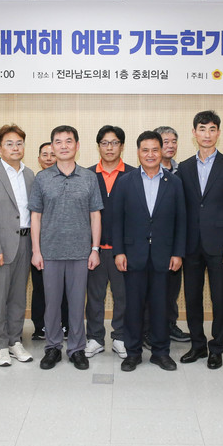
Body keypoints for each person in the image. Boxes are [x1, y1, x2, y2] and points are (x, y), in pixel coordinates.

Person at [29, 125, 103, 371]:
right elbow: (35, 216)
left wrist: (95, 249)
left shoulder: (89, 178)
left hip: (80, 252)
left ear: (77, 146)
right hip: (50, 252)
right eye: (58, 142)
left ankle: (77, 349)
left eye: (68, 141)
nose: (63, 146)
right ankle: (52, 347)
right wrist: (36, 251)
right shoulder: (42, 178)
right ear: (52, 147)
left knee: (76, 303)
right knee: (51, 304)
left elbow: (95, 215)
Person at [113, 131, 186, 372]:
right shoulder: (125, 181)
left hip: (164, 256)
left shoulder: (174, 182)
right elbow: (117, 220)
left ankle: (160, 352)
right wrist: (119, 252)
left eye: (155, 149)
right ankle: (133, 353)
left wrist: (178, 253)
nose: (151, 154)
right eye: (145, 150)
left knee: (161, 307)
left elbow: (181, 221)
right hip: (133, 254)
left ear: (161, 151)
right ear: (138, 152)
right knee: (133, 307)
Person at [177, 110, 223, 370]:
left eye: (212, 129)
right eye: (202, 129)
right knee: (192, 298)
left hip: (220, 246)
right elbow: (180, 210)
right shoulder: (184, 167)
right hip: (191, 245)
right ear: (194, 133)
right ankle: (197, 345)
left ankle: (216, 347)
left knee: (219, 298)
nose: (207, 134)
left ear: (218, 133)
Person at [0, 124, 35, 366]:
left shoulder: (30, 175)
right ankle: (1, 345)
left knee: (19, 297)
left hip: (26, 242)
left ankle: (15, 341)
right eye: (9, 144)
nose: (15, 148)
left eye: (19, 143)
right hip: (1, 246)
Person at [85, 125, 134, 360]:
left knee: (122, 296)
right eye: (105, 143)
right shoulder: (86, 175)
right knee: (94, 297)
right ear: (98, 146)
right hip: (93, 250)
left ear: (122, 146)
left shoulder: (133, 175)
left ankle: (120, 337)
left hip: (122, 250)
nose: (109, 147)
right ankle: (94, 338)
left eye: (114, 143)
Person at [150, 125, 190, 343]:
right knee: (151, 289)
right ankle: (149, 330)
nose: (171, 145)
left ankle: (169, 324)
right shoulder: (146, 172)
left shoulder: (183, 172)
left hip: (175, 241)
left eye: (174, 141)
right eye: (165, 141)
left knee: (172, 287)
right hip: (150, 242)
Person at [29, 141, 69, 340]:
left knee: (65, 287)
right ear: (38, 159)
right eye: (44, 155)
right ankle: (40, 326)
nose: (48, 158)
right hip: (40, 242)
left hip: (64, 242)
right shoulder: (35, 181)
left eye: (52, 154)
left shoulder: (68, 179)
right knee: (41, 287)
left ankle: (65, 324)